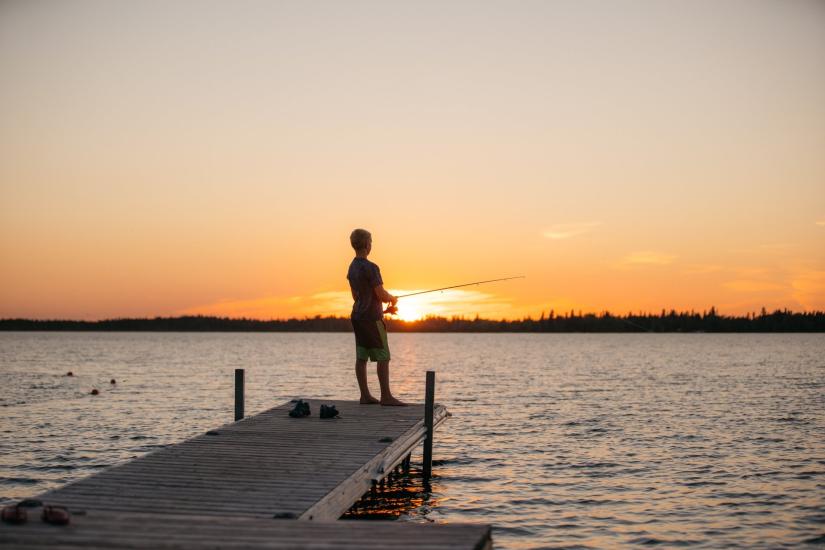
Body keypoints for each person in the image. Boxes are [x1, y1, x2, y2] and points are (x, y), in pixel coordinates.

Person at [347, 228, 408, 406]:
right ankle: (386, 397)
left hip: (357, 317)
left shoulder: (352, 267)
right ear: (367, 245)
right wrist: (392, 298)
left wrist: (382, 309)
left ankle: (365, 396)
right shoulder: (371, 268)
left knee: (361, 356)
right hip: (372, 319)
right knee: (383, 356)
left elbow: (356, 296)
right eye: (371, 241)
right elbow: (381, 294)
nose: (371, 244)